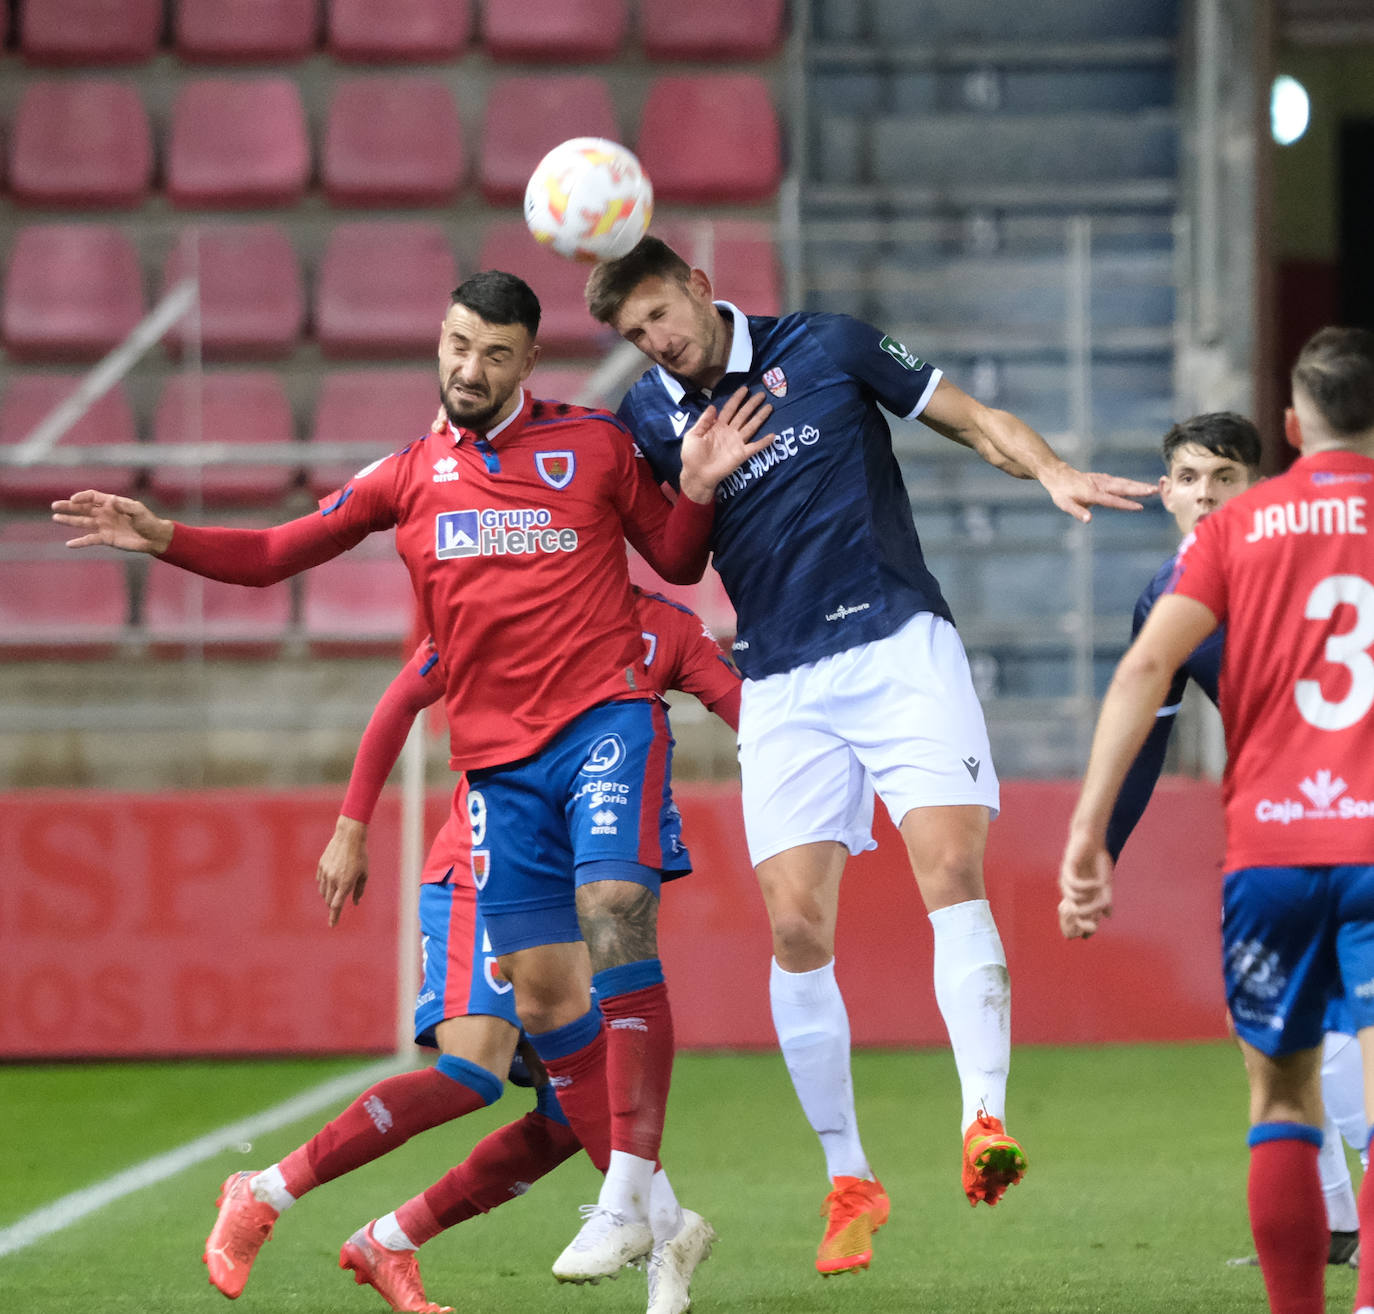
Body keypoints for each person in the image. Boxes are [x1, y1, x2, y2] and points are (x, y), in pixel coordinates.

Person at [54, 270, 774, 1293]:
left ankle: (623, 1205)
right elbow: (272, 557)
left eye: (489, 353)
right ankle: (609, 1222)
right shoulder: (407, 477)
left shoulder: (597, 446)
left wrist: (696, 487)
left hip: (605, 726)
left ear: (529, 360)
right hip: (496, 775)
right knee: (537, 1026)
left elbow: (669, 551)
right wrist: (163, 535)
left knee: (612, 910)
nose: (465, 369)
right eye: (453, 346)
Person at [582, 236, 1158, 1275]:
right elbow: (673, 556)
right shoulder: (649, 418)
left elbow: (971, 419)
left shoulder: (832, 346)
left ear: (701, 287)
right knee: (796, 928)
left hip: (895, 643)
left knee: (948, 868)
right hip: (782, 680)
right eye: (634, 335)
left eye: (661, 314)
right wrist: (699, 482)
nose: (656, 343)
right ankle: (850, 1178)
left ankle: (984, 1119)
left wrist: (1051, 469)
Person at [205, 586, 741, 1314]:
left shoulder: (665, 628)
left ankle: (391, 1239)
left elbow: (743, 706)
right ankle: (264, 1190)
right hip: (487, 869)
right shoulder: (508, 599)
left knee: (567, 1114)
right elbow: (402, 699)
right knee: (473, 1070)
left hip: (581, 882)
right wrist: (351, 825)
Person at [1059, 326, 1374, 1314]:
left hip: (1275, 842)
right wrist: (1104, 838)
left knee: (1280, 1090)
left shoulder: (1236, 542)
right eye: (1186, 476)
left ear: (1287, 433)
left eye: (1218, 474)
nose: (1202, 492)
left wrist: (1083, 838)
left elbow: (1142, 677)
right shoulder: (1219, 549)